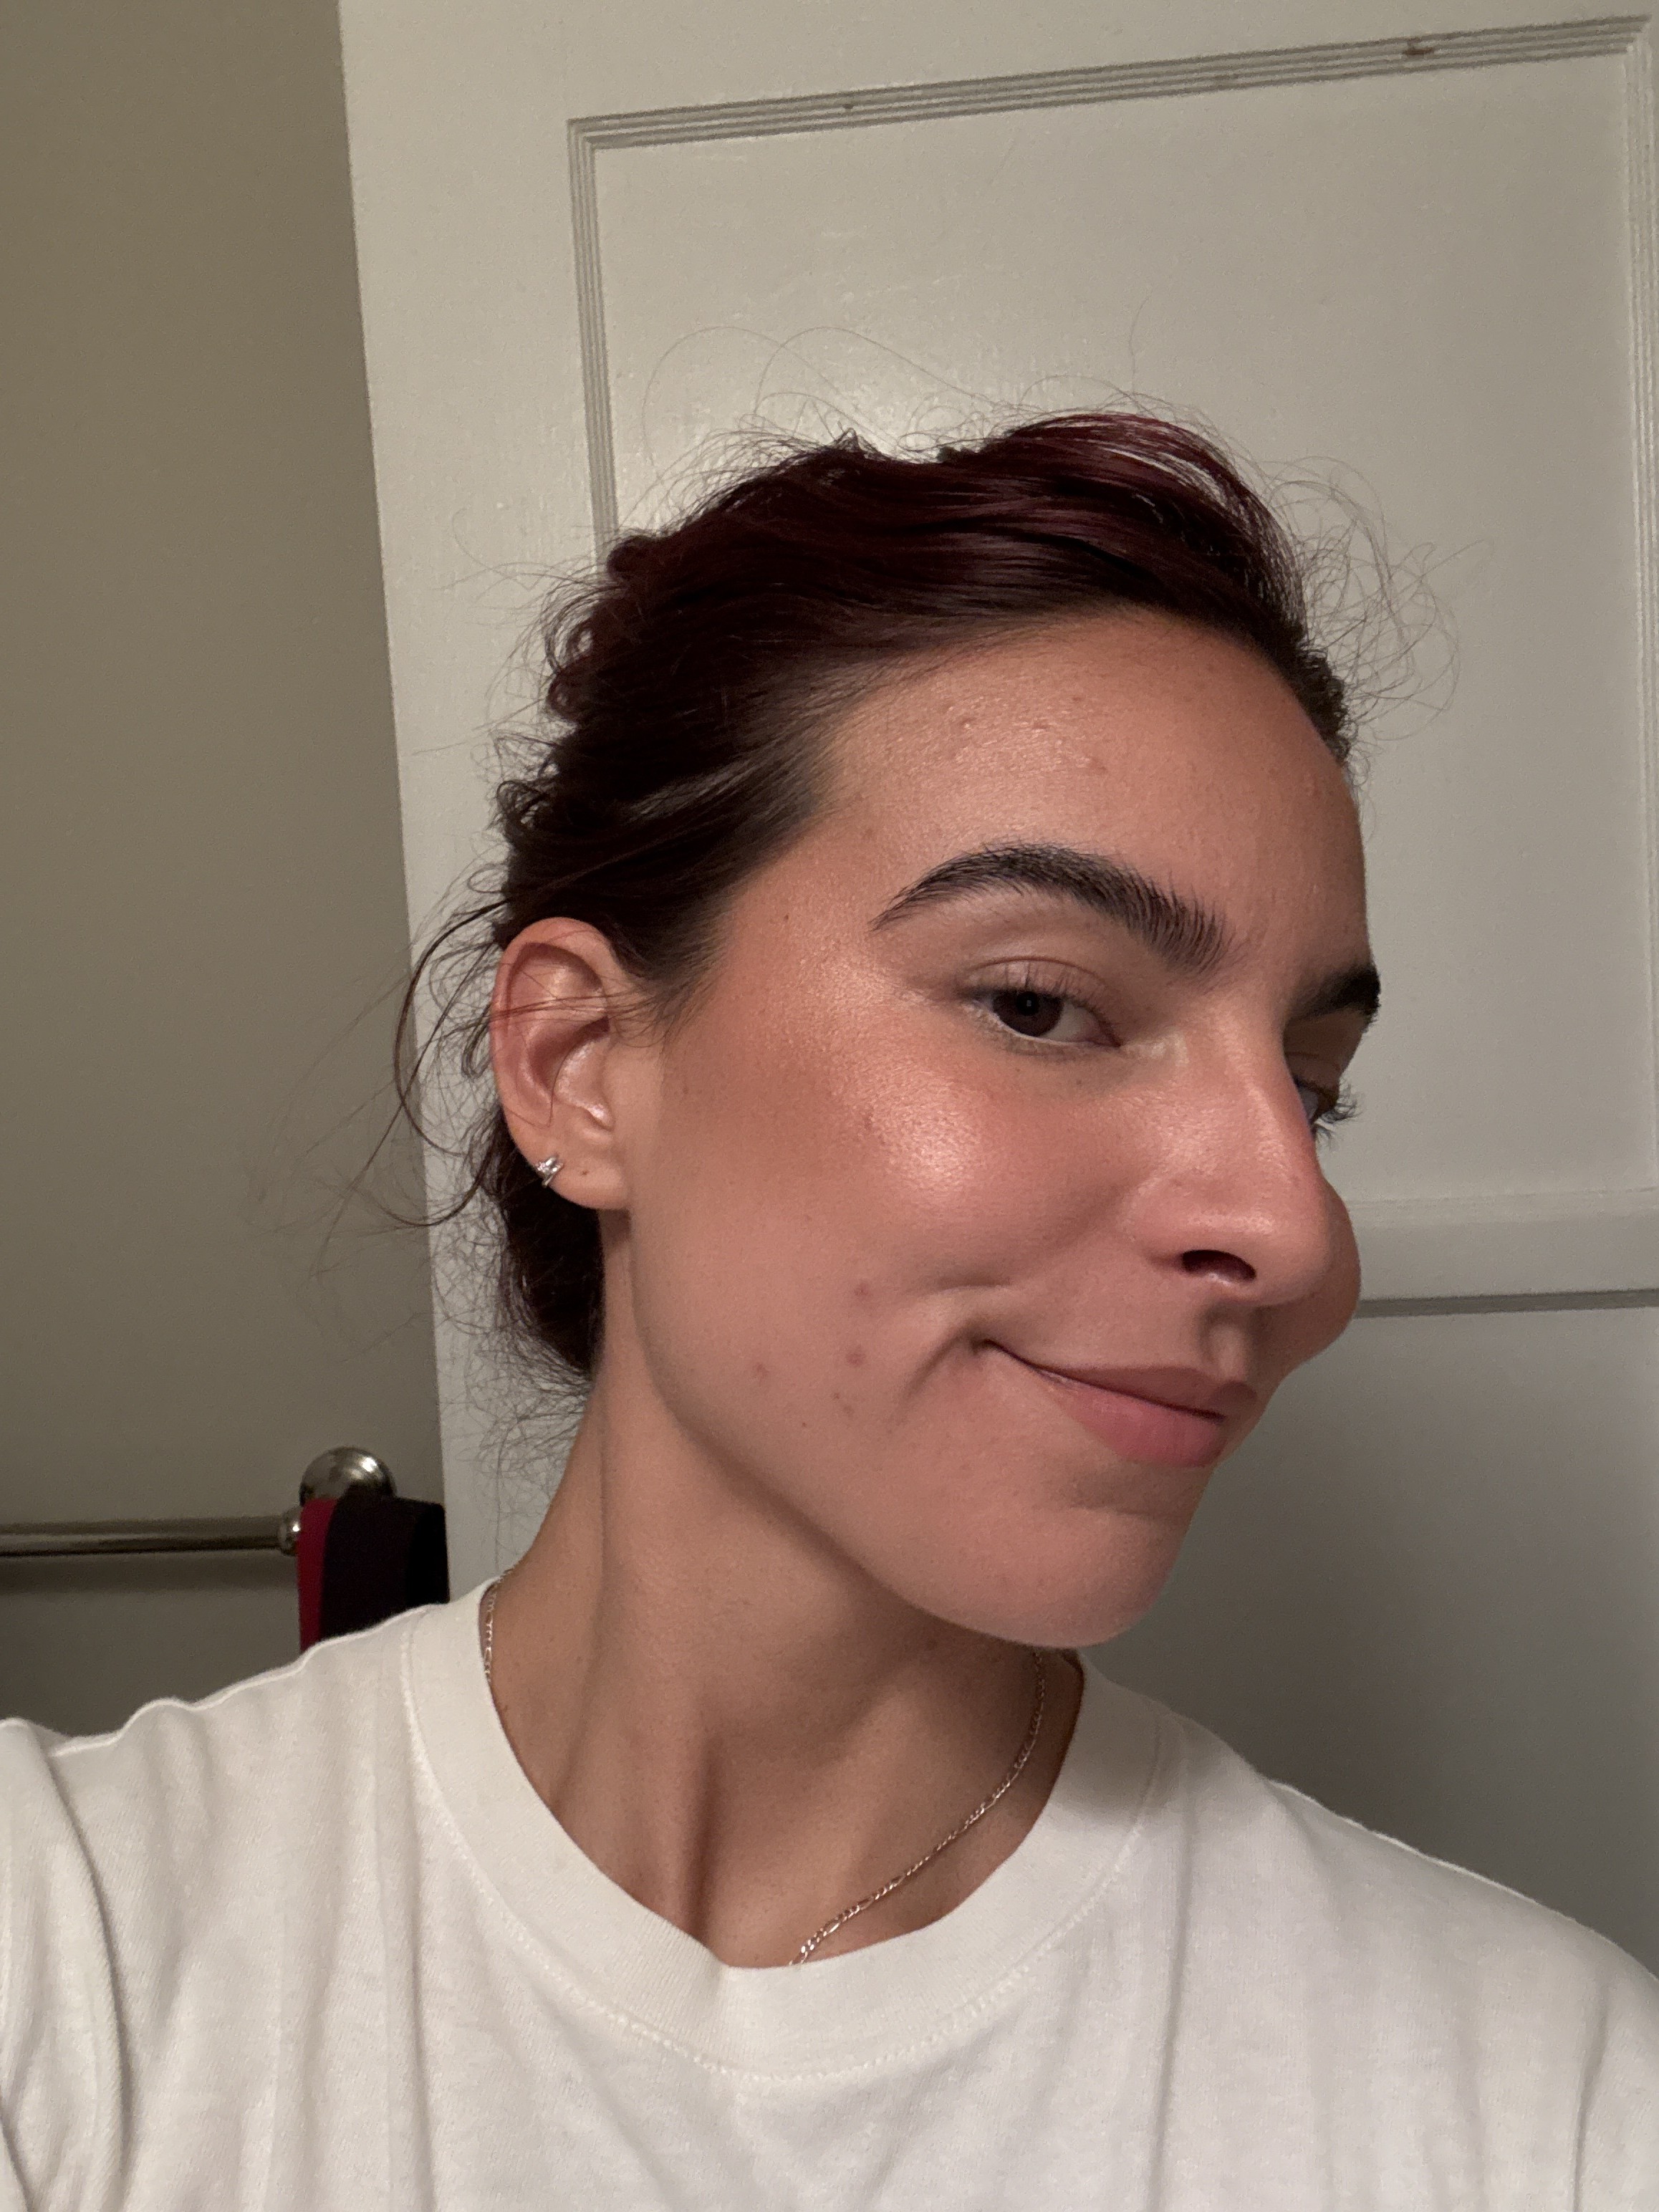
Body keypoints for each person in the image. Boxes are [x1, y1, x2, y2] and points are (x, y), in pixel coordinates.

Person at [3, 413, 1655, 2210]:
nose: (1294, 1229)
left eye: (1312, 1088)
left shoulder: (1545, 2098)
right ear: (579, 1063)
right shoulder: (65, 1960)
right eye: (1040, 1003)